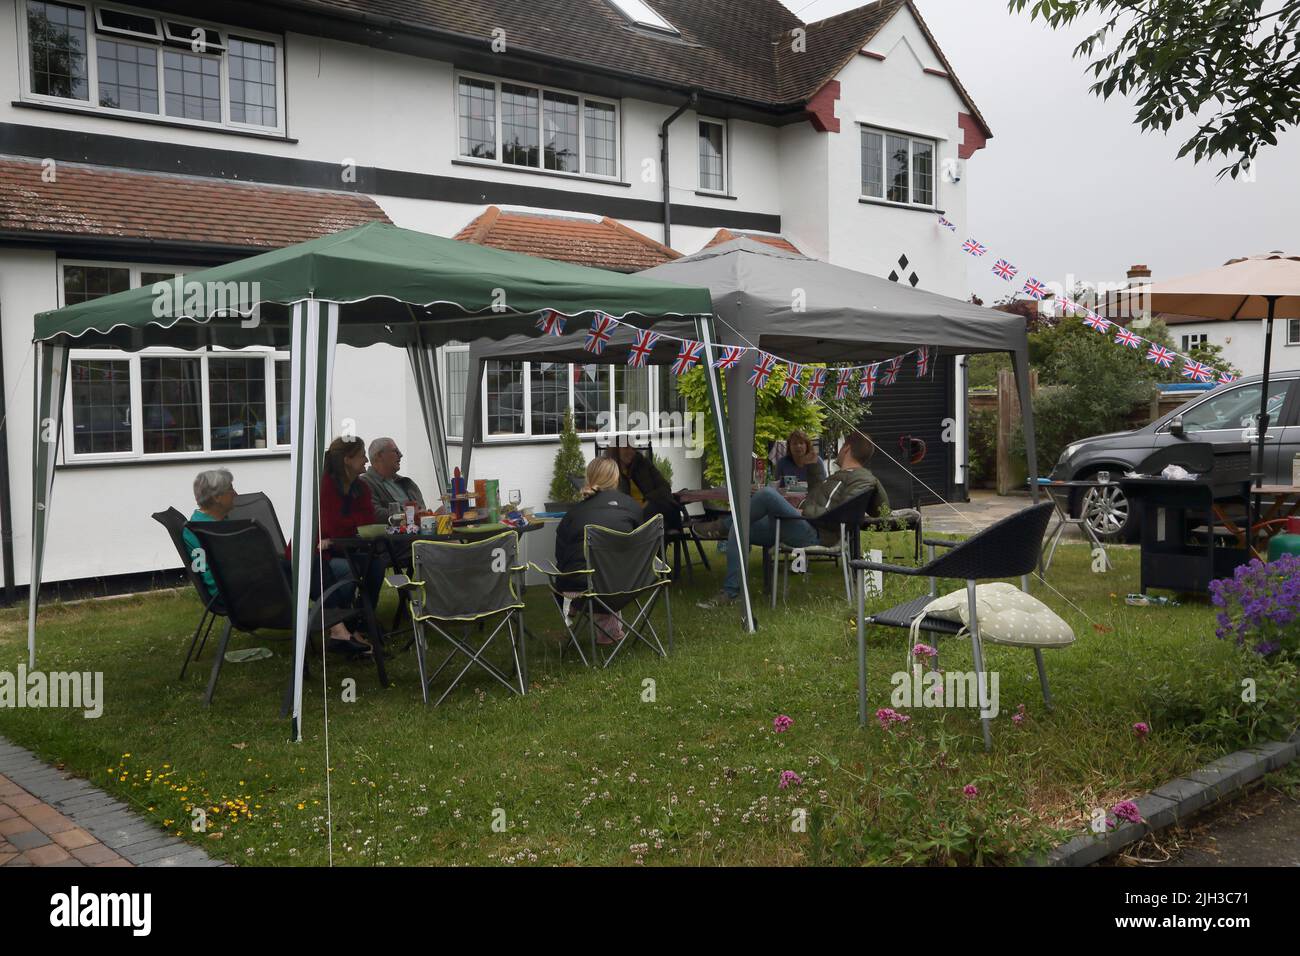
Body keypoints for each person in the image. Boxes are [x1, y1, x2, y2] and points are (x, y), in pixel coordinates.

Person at [183, 467, 369, 654]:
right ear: (216, 497)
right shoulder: (202, 530)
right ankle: (343, 630)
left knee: (312, 565)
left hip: (247, 583)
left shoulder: (215, 524)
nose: (236, 494)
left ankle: (341, 629)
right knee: (311, 567)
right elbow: (210, 578)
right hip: (238, 594)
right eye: (231, 489)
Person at [696, 430, 890, 609]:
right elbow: (817, 497)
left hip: (817, 533)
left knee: (767, 495)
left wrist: (803, 513)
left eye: (841, 448)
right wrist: (813, 466)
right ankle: (731, 592)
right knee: (738, 531)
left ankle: (722, 524)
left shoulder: (861, 477)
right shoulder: (843, 475)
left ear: (846, 448)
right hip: (805, 525)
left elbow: (843, 511)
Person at [554, 457, 643, 644]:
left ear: (589, 479)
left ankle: (577, 614)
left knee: (590, 572)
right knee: (608, 568)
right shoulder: (632, 508)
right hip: (629, 585)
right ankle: (609, 632)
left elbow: (561, 558)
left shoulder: (573, 515)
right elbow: (641, 547)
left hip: (582, 590)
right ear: (616, 479)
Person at [317, 436, 387, 650]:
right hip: (318, 556)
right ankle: (343, 627)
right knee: (349, 570)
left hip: (342, 547)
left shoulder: (361, 488)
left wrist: (349, 524)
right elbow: (333, 526)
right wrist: (353, 524)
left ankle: (358, 621)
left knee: (376, 564)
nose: (366, 459)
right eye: (361, 455)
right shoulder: (326, 485)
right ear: (347, 459)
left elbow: (369, 521)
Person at [607, 442, 682, 531]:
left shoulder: (643, 463)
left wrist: (647, 501)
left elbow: (665, 487)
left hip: (653, 508)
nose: (631, 451)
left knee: (662, 510)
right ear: (616, 450)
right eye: (626, 448)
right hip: (629, 515)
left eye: (633, 448)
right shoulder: (609, 471)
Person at [360, 437, 426, 517]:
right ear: (379, 455)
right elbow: (374, 513)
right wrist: (408, 515)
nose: (401, 455)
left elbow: (422, 511)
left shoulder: (408, 483)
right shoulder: (364, 483)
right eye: (395, 451)